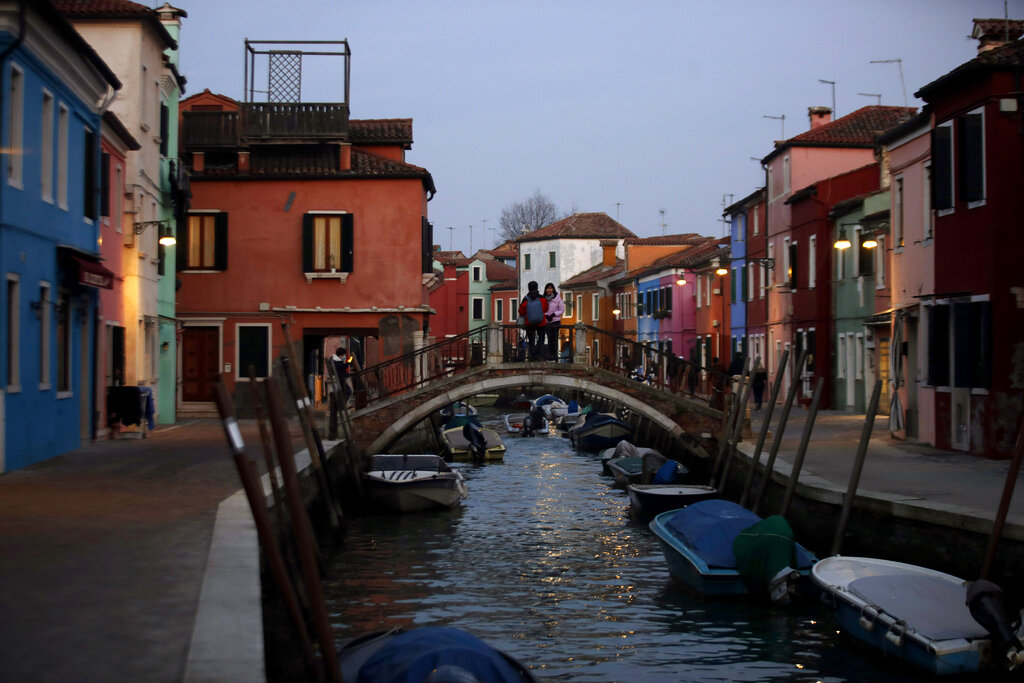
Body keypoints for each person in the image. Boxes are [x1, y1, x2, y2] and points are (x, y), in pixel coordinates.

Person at [518, 281, 549, 361]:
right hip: (541, 323)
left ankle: (533, 355)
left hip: (529, 323)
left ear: (529, 288)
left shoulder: (525, 299)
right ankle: (538, 354)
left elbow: (521, 312)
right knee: (541, 339)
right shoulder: (542, 298)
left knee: (531, 340)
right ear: (537, 287)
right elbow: (546, 309)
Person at [542, 282, 564, 361]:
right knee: (549, 338)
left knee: (554, 339)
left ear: (553, 289)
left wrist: (553, 314)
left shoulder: (558, 298)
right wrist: (546, 315)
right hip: (547, 321)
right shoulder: (543, 298)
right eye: (547, 288)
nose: (549, 290)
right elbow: (541, 309)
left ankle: (555, 356)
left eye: (550, 288)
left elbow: (562, 310)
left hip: (555, 321)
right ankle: (550, 355)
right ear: (545, 290)